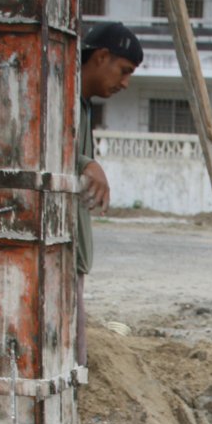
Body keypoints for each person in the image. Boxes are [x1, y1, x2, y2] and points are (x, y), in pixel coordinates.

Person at [75, 22, 142, 365]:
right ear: (101, 57)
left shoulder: (83, 106)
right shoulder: (60, 100)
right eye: (124, 70)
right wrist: (86, 163)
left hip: (73, 257)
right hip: (58, 257)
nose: (125, 83)